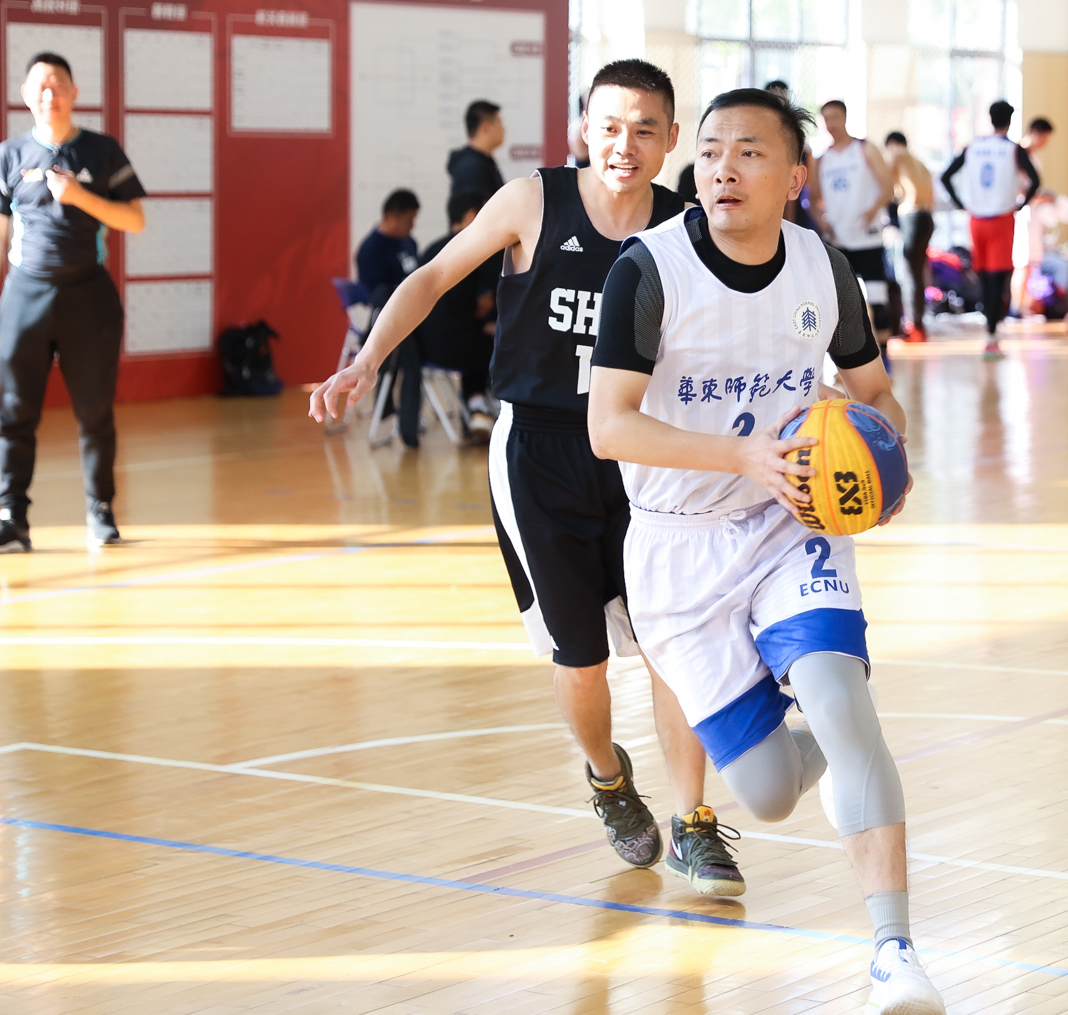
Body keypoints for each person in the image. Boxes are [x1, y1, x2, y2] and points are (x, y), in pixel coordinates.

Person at [311, 61, 745, 896]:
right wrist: (367, 359)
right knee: (581, 660)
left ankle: (692, 822)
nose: (624, 144)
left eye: (644, 129)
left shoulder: (684, 230)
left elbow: (734, 335)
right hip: (538, 454)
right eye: (609, 126)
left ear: (669, 139)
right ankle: (608, 777)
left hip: (643, 453)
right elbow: (432, 277)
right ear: (584, 127)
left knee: (670, 644)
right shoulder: (530, 202)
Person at [587, 87, 944, 1015]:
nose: (722, 168)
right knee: (769, 789)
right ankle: (820, 733)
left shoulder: (822, 266)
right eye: (709, 151)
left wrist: (878, 459)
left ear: (794, 177)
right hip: (677, 546)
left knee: (843, 705)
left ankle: (895, 954)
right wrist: (741, 455)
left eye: (748, 151)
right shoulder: (648, 269)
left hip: (789, 524)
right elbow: (607, 427)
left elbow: (876, 393)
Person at [0, 51, 147, 553]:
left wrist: (79, 197)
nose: (49, 95)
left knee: (95, 412)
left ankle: (101, 511)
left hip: (88, 297)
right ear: (26, 96)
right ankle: (12, 519)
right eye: (40, 87)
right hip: (24, 295)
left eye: (58, 85)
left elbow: (134, 220)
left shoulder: (101, 150)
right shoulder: (10, 154)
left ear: (74, 94)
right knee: (14, 414)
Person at [939, 100, 1041, 358]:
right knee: (998, 279)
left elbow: (945, 176)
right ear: (1010, 120)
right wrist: (1021, 204)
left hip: (976, 220)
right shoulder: (1013, 149)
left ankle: (989, 331)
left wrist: (961, 203)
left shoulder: (973, 147)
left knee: (984, 277)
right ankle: (992, 336)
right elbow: (1035, 180)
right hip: (1001, 219)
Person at [809, 100, 898, 352]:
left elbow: (888, 187)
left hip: (868, 240)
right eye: (826, 119)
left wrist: (872, 211)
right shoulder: (822, 159)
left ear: (845, 117)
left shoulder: (864, 149)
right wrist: (824, 225)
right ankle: (848, 359)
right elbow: (813, 200)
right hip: (840, 242)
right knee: (842, 306)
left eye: (835, 117)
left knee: (878, 302)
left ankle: (885, 356)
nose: (831, 123)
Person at [417, 190, 498, 427]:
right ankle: (490, 408)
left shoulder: (431, 249)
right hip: (455, 348)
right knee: (502, 343)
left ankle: (477, 407)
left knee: (481, 342)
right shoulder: (475, 252)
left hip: (423, 347)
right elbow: (478, 308)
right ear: (471, 215)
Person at [356, 189, 424, 448]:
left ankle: (404, 420)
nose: (412, 226)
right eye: (409, 220)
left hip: (416, 317)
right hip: (390, 321)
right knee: (408, 355)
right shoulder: (370, 250)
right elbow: (376, 296)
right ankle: (407, 426)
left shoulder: (409, 243)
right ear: (391, 216)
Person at [884, 131, 936, 343]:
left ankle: (912, 325)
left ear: (892, 145)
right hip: (926, 217)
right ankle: (918, 323)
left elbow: (886, 186)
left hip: (911, 216)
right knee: (917, 272)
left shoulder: (897, 156)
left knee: (908, 273)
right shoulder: (919, 162)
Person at [1012, 118, 1056, 317]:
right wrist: (1040, 197)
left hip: (1033, 214)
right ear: (1034, 133)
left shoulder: (1032, 156)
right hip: (1023, 214)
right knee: (1022, 262)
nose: (1044, 143)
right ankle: (1016, 307)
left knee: (1031, 263)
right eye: (1044, 138)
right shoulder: (1018, 154)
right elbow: (1020, 189)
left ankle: (1024, 305)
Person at [446, 98, 507, 216]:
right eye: (499, 123)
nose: (503, 129)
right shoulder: (471, 167)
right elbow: (470, 215)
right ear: (485, 128)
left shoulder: (483, 161)